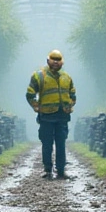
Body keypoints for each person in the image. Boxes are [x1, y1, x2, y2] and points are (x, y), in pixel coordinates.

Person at [26, 49, 76, 179]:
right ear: (47, 60)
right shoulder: (39, 76)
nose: (55, 62)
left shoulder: (67, 77)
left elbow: (73, 94)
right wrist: (37, 107)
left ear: (62, 62)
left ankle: (61, 171)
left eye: (58, 60)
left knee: (61, 144)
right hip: (46, 117)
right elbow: (30, 94)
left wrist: (70, 105)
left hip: (62, 116)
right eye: (53, 59)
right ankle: (48, 170)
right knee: (47, 144)